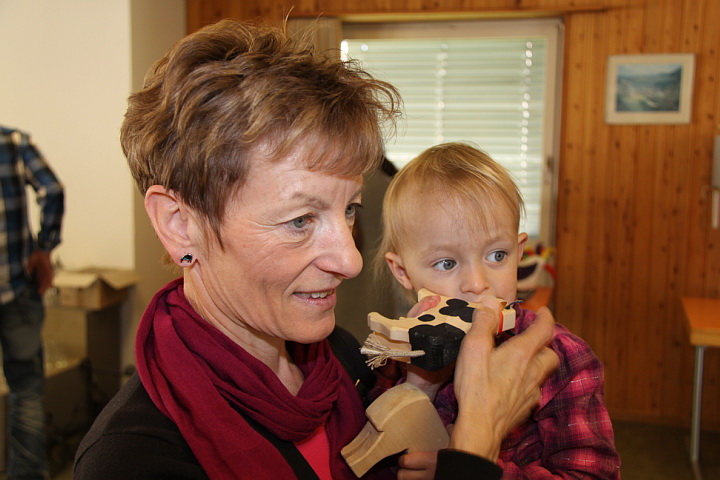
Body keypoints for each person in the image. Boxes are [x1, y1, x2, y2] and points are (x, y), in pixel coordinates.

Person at [73, 20, 557, 480]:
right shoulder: (133, 461)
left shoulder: (345, 360)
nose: (350, 261)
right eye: (300, 220)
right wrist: (477, 441)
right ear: (180, 225)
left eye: (350, 210)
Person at [375, 142, 621, 479]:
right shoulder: (392, 354)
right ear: (403, 272)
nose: (478, 284)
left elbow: (593, 474)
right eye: (447, 263)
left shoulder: (563, 358)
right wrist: (419, 385)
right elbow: (370, 460)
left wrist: (477, 472)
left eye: (497, 256)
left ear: (518, 254)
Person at [0, 126, 65, 480]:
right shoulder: (12, 143)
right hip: (17, 288)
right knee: (25, 391)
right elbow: (52, 189)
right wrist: (44, 248)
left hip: (19, 291)